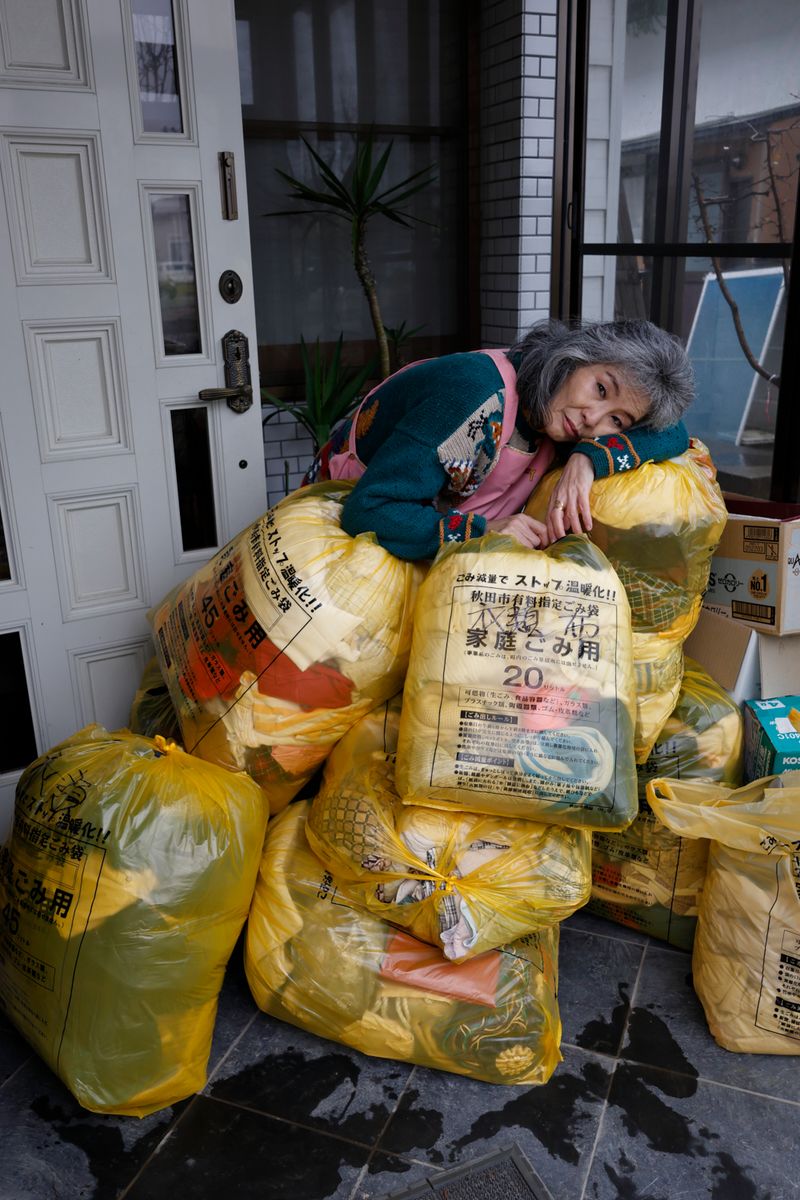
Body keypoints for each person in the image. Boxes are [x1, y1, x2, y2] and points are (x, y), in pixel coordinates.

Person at [305, 318, 694, 561]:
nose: (593, 418)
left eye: (617, 420)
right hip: (335, 546)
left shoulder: (558, 415)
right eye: (600, 389)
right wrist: (483, 531)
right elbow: (368, 511)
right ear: (575, 357)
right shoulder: (475, 394)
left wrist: (588, 459)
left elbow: (673, 432)